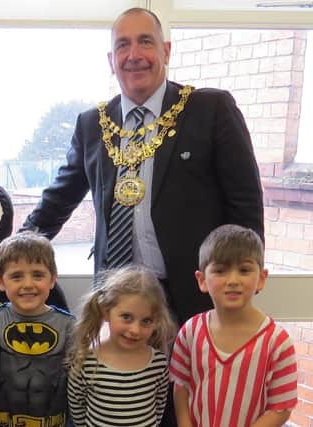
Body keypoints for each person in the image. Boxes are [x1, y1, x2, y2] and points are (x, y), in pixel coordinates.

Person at [21, 7, 264, 326]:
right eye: (123, 45)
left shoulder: (210, 109)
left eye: (145, 42)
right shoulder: (93, 124)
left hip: (196, 296)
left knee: (189, 378)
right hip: (117, 300)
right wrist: (13, 249)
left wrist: (246, 277)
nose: (134, 54)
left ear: (166, 51)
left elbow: (245, 204)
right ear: (111, 61)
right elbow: (58, 199)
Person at [169, 224, 298, 427]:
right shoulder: (190, 332)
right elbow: (180, 386)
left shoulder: (277, 342)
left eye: (244, 270)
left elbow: (281, 407)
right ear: (202, 280)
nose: (233, 280)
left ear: (262, 279)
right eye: (220, 271)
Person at [0, 232, 75, 427]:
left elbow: (77, 384)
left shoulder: (68, 326)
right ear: (1, 281)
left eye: (37, 275)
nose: (28, 284)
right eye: (17, 276)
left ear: (52, 279)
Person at [67, 266, 176, 426]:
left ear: (156, 321)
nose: (135, 330)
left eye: (146, 321)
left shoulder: (158, 363)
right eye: (126, 317)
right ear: (106, 312)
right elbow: (77, 410)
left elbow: (158, 408)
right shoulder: (87, 361)